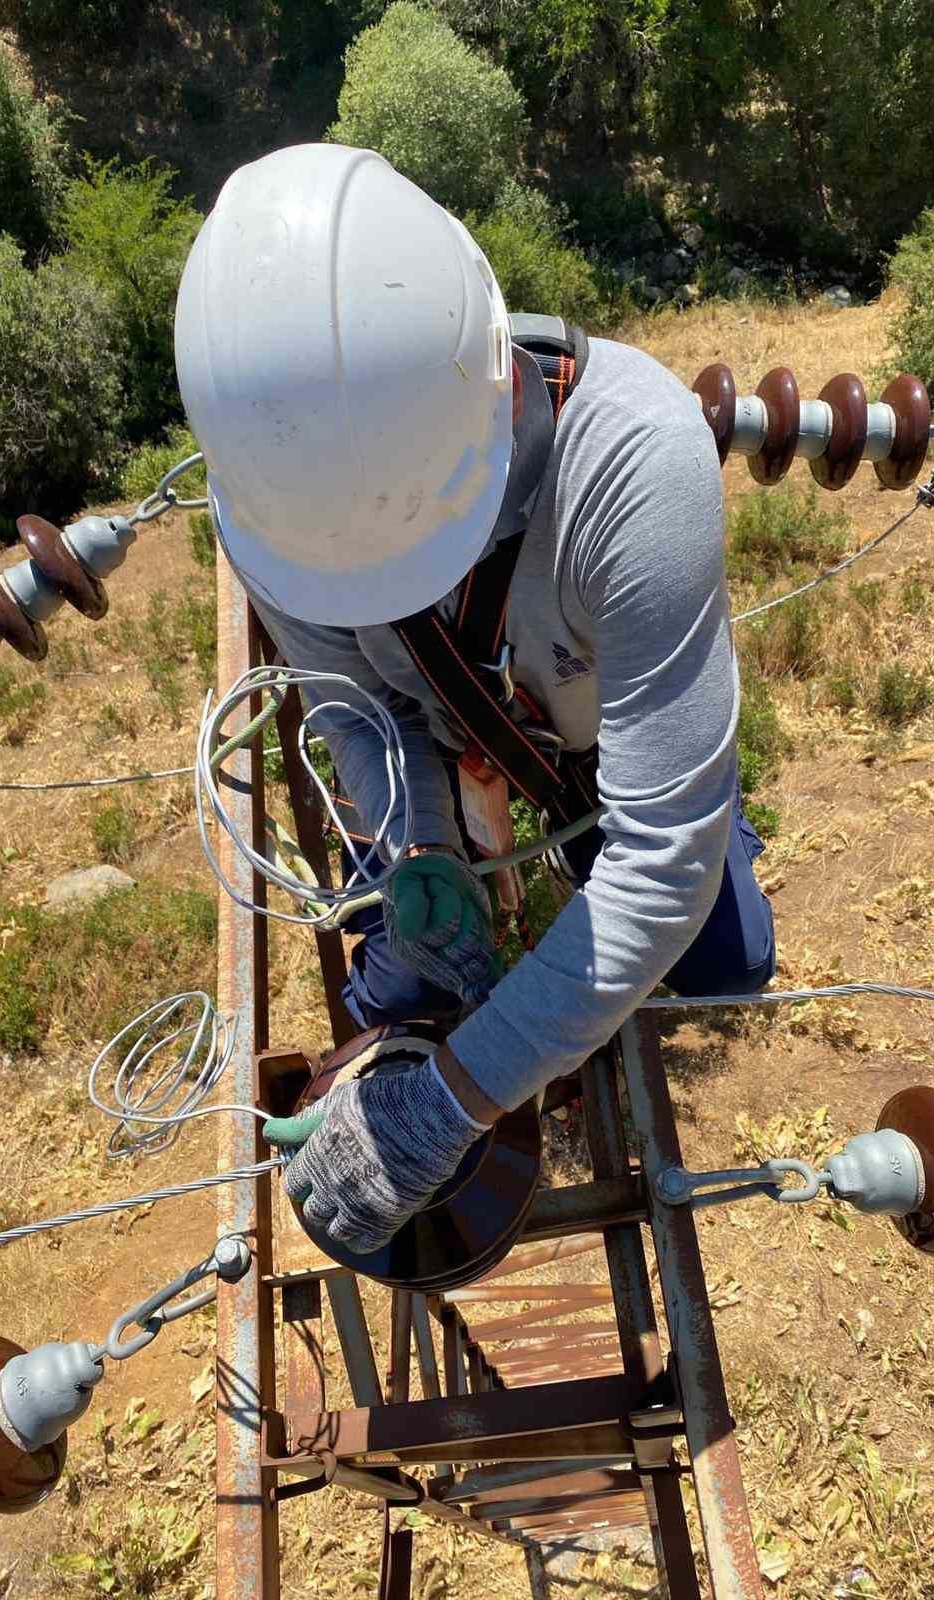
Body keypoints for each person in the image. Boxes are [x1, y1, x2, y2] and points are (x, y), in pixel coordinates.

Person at [174, 143, 775, 1257]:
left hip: (599, 755)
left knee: (724, 961)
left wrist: (452, 1100)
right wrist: (427, 851)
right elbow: (352, 707)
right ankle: (451, 950)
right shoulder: (280, 495)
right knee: (392, 969)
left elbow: (660, 860)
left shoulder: (636, 469)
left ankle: (542, 978)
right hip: (438, 745)